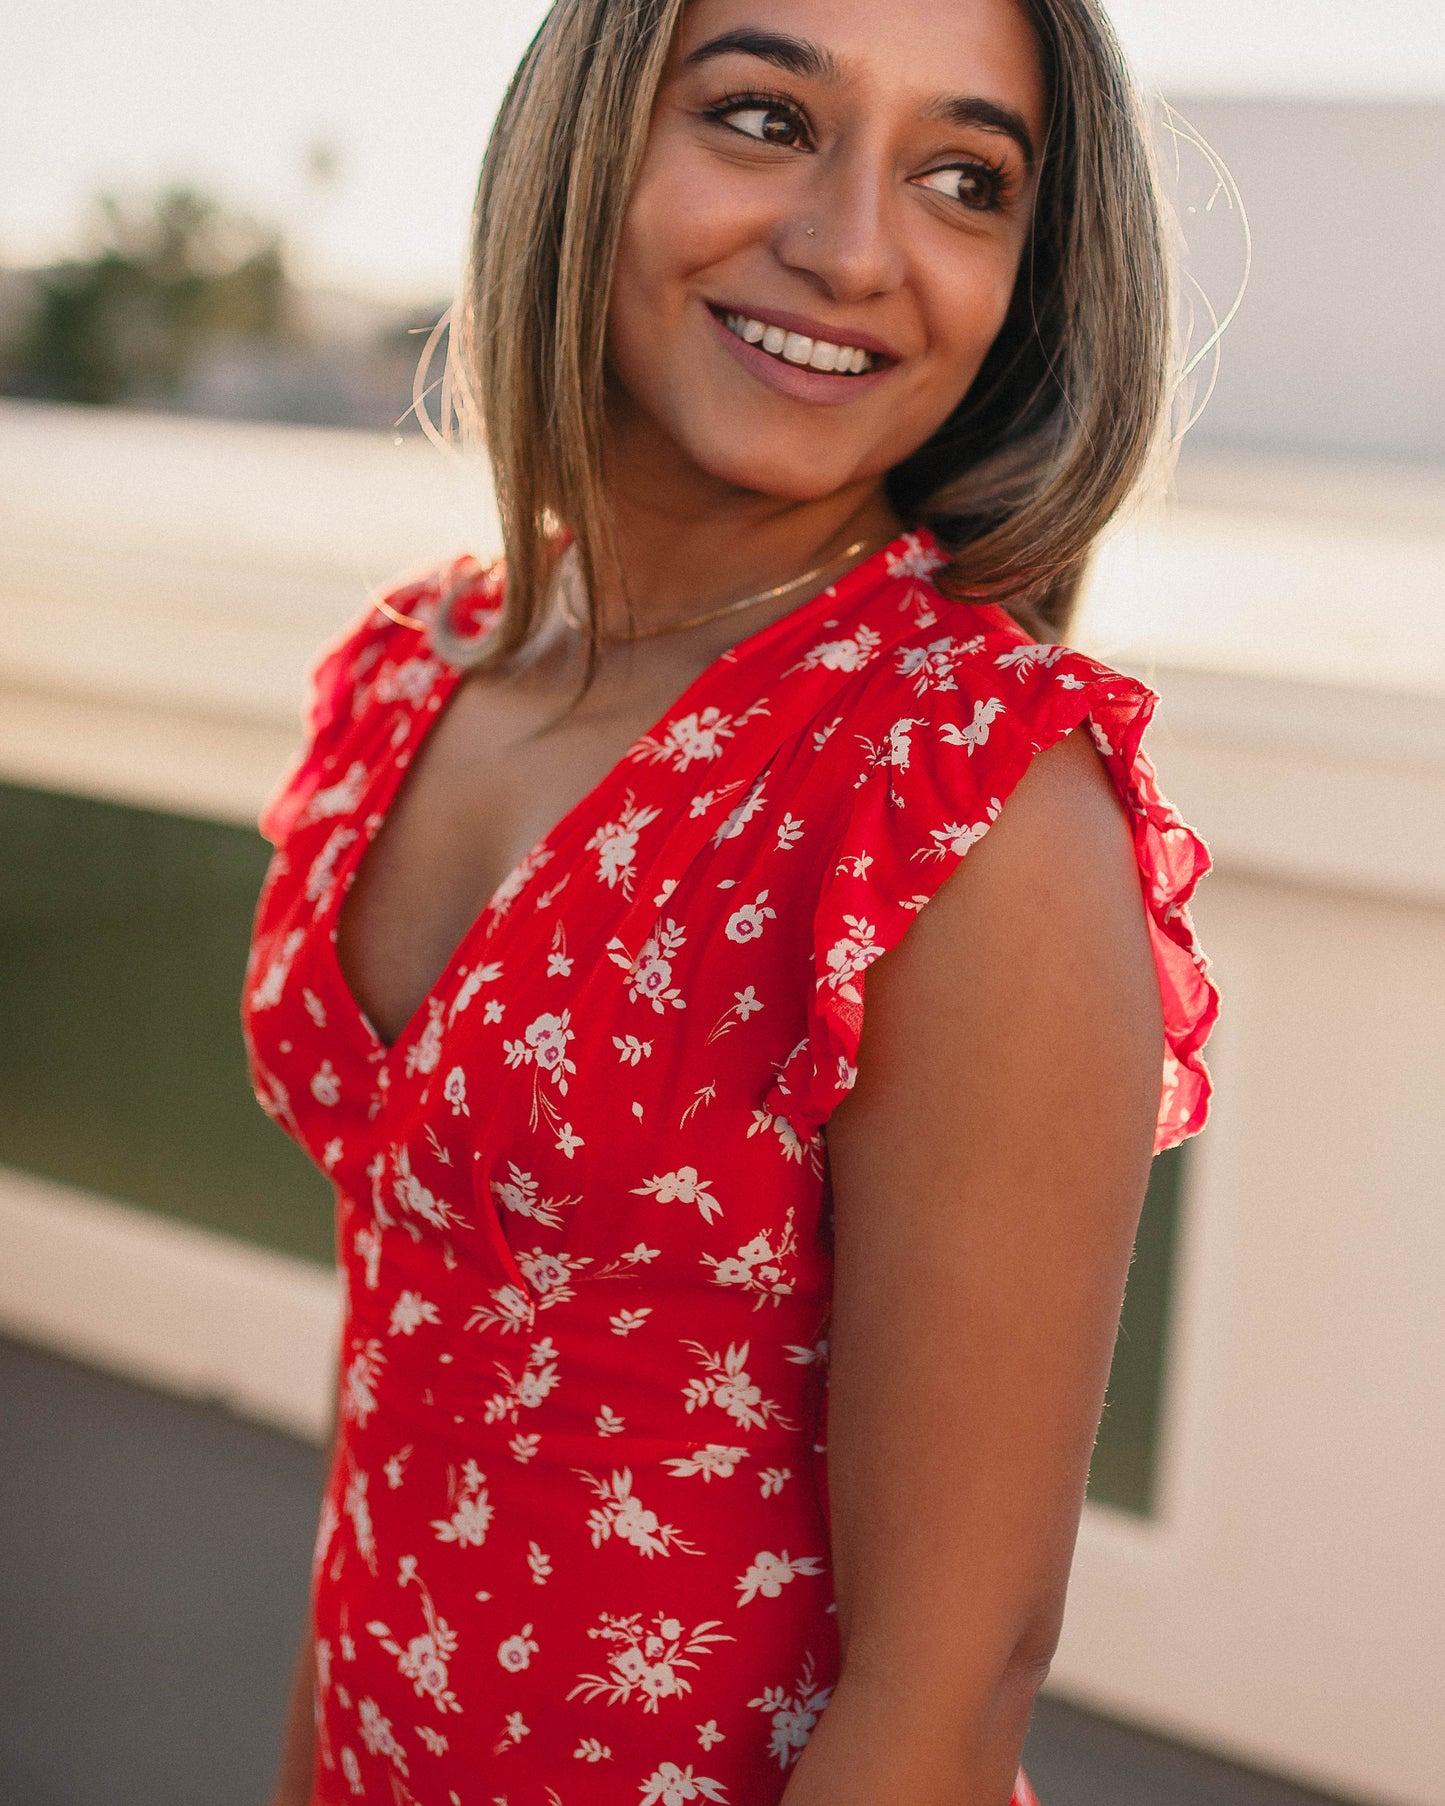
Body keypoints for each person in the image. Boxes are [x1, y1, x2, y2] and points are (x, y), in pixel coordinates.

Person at [244, 0, 1220, 1800]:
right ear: (584, 145)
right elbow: (398, 1388)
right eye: (765, 118)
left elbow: (950, 1681)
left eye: (960, 179)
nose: (854, 249)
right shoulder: (412, 674)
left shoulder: (961, 792)